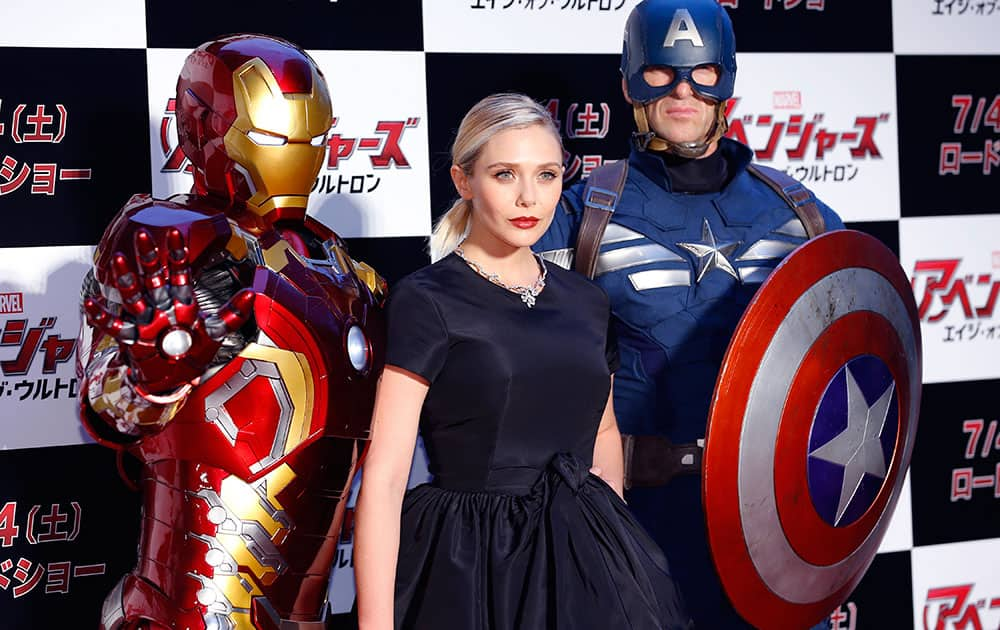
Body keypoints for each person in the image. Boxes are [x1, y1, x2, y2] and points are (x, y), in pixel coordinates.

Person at [533, 0, 845, 627]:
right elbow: (524, 373)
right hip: (630, 527)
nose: (682, 90)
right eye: (660, 73)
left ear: (727, 81)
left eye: (702, 73)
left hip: (775, 525)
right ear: (628, 82)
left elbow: (855, 355)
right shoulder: (579, 215)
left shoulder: (801, 215)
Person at [76, 34, 385, 630]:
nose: (294, 155)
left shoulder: (346, 270)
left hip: (313, 612)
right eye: (272, 138)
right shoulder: (172, 235)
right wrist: (155, 376)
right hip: (186, 607)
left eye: (310, 140)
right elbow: (105, 409)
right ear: (201, 129)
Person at [353, 93, 690, 630]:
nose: (529, 196)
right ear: (464, 182)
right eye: (505, 174)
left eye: (548, 175)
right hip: (471, 569)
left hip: (585, 566)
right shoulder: (428, 300)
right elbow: (387, 477)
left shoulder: (587, 301)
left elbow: (603, 435)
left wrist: (615, 558)